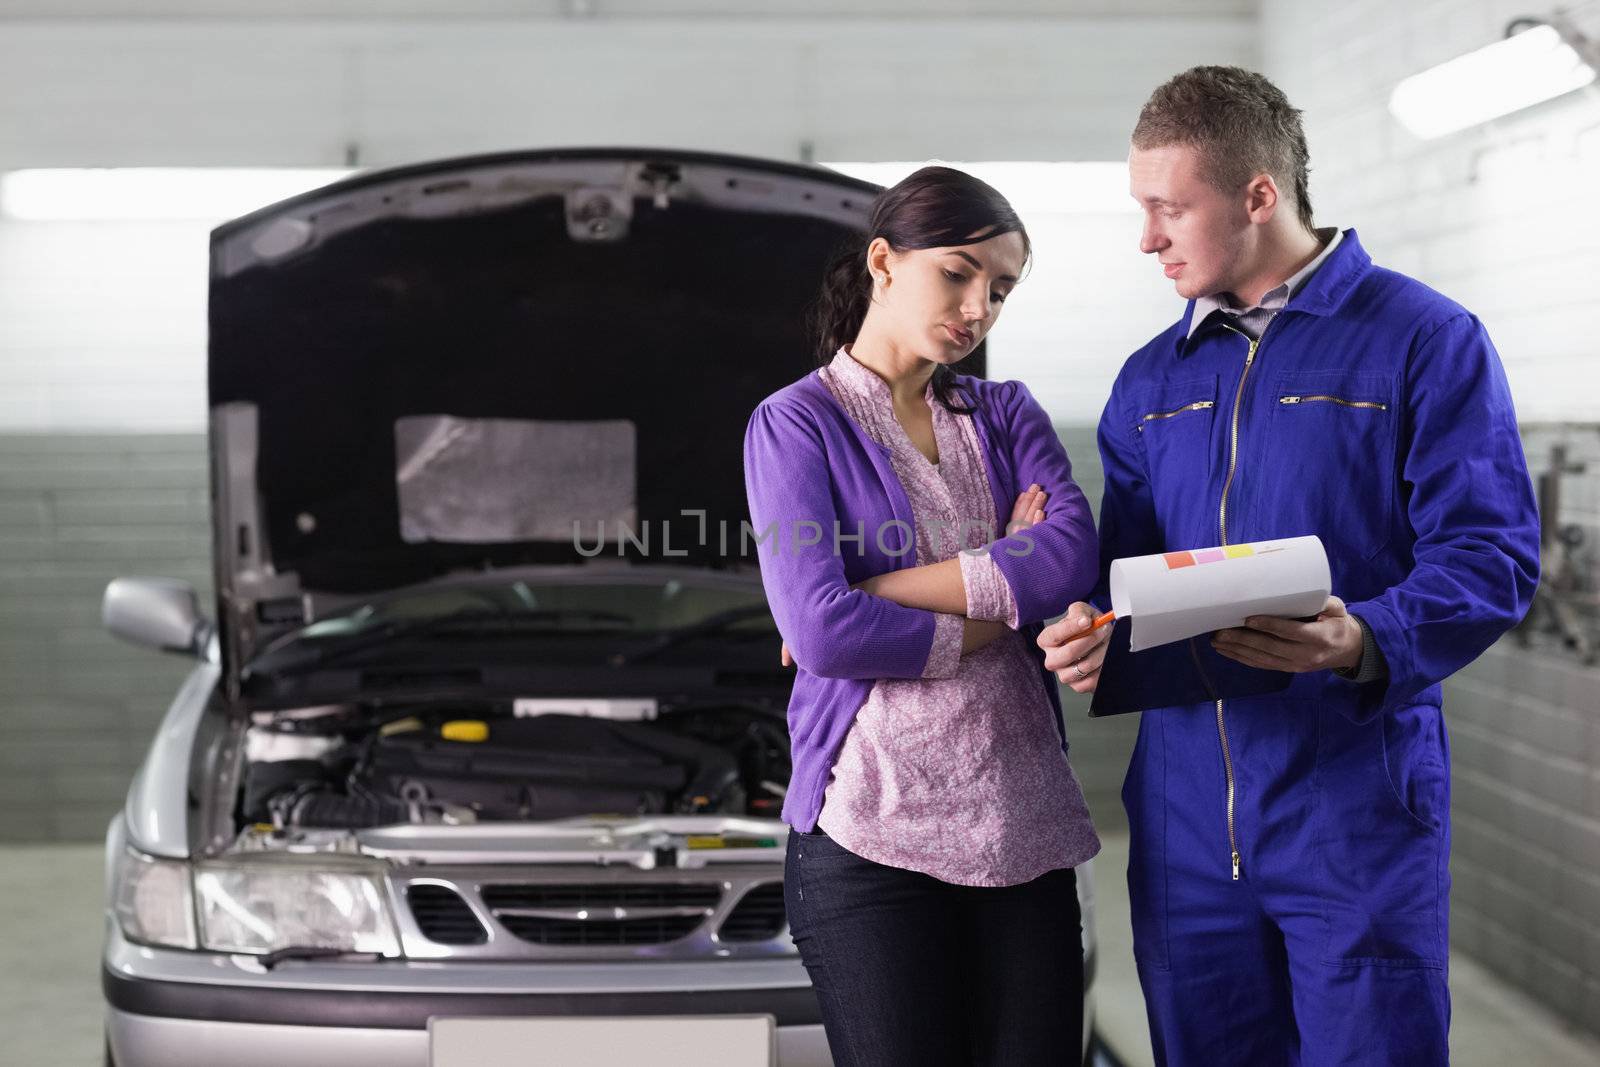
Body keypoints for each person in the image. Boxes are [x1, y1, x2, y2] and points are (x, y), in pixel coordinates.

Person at [1038, 66, 1541, 1065]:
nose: (1146, 238)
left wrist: (1366, 634)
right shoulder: (1150, 378)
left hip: (1351, 806)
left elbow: (1489, 552)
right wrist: (1086, 627)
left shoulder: (1423, 341)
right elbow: (1121, 573)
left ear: (1258, 194)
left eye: (1169, 208)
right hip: (1183, 822)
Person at [743, 166, 1101, 1066]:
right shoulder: (795, 426)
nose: (978, 306)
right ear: (883, 262)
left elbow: (1068, 560)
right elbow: (823, 632)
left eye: (1002, 289)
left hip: (1026, 831)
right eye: (959, 272)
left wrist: (879, 594)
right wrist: (1002, 595)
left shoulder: (1006, 411)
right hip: (871, 837)